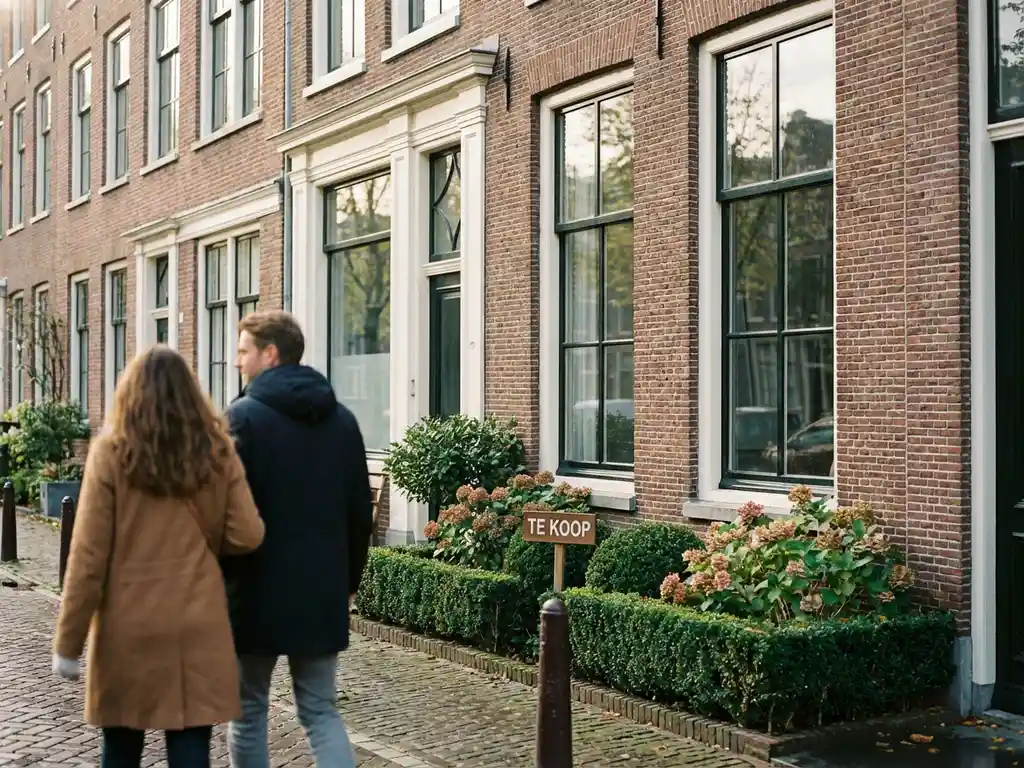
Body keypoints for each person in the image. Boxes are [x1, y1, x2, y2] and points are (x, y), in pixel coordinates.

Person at [51, 345, 266, 768]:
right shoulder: (218, 452)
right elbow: (248, 533)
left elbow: (88, 557)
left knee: (121, 748)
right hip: (197, 620)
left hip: (127, 624)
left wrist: (68, 643)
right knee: (190, 746)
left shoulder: (110, 453)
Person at [224, 310, 374, 768]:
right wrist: (349, 582)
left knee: (248, 711)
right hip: (321, 590)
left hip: (254, 589)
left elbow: (226, 513)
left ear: (270, 354)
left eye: (243, 351)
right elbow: (359, 513)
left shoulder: (242, 419)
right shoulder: (342, 420)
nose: (237, 361)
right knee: (320, 710)